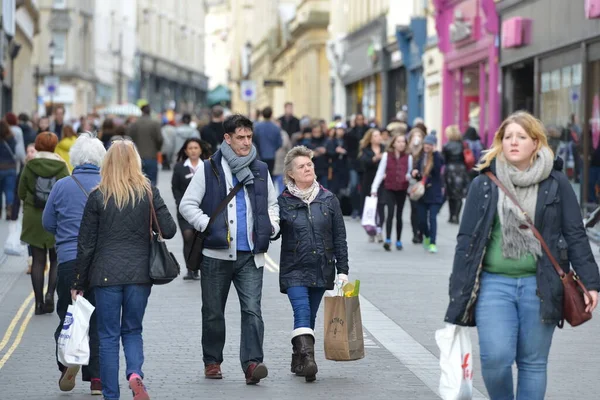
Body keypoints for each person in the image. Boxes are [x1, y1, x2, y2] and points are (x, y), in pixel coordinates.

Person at [445, 111, 600, 400]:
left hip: (541, 285)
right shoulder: (484, 183)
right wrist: (458, 290)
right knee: (495, 359)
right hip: (493, 285)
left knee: (532, 363)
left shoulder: (556, 183)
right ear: (499, 142)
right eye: (507, 137)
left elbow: (575, 234)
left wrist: (591, 283)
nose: (513, 142)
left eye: (521, 137)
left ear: (536, 142)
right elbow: (466, 240)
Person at [72, 138, 176, 400]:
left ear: (107, 163)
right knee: (132, 330)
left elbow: (85, 246)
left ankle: (111, 395)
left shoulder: (98, 196)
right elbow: (170, 230)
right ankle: (134, 374)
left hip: (104, 276)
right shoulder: (148, 191)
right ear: (136, 162)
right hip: (140, 274)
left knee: (107, 336)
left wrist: (78, 282)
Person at [179, 114, 280, 385]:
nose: (246, 142)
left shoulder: (260, 168)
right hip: (216, 254)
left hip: (251, 255)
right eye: (240, 137)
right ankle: (212, 361)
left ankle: (252, 364)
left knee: (252, 311)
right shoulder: (210, 168)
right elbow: (187, 205)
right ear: (227, 138)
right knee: (213, 313)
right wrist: (207, 225)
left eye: (249, 137)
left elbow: (272, 204)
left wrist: (271, 225)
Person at [42, 132, 106, 395]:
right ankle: (97, 380)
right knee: (99, 321)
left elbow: (47, 223)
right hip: (102, 263)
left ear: (75, 158)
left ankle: (66, 362)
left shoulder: (61, 185)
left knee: (68, 315)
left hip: (69, 261)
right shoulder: (107, 185)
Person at [278, 145, 349, 382]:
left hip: (322, 267)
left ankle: (298, 358)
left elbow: (339, 237)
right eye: (301, 166)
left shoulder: (329, 199)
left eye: (309, 164)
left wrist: (343, 271)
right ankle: (309, 360)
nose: (307, 168)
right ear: (291, 174)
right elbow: (273, 230)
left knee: (310, 317)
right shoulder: (283, 202)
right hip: (294, 268)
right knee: (302, 310)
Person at [19, 132, 70, 315]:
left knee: (38, 261)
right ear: (54, 145)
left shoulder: (30, 165)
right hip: (56, 216)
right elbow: (67, 191)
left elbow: (21, 191)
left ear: (38, 145)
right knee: (56, 259)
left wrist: (31, 203)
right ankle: (50, 295)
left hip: (34, 217)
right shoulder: (62, 166)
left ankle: (39, 303)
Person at [171, 138, 211, 280]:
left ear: (200, 150)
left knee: (198, 238)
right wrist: (179, 202)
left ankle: (199, 267)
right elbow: (175, 187)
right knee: (188, 237)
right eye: (190, 148)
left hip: (203, 210)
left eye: (196, 148)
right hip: (185, 211)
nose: (193, 150)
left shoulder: (208, 166)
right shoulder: (179, 167)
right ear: (186, 151)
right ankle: (190, 268)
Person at [371, 134, 411, 250]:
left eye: (403, 142)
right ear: (393, 143)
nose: (401, 144)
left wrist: (408, 176)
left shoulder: (408, 157)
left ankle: (398, 240)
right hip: (389, 188)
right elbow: (380, 172)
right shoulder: (386, 156)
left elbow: (409, 172)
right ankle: (388, 239)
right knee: (390, 213)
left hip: (402, 189)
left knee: (399, 215)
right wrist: (374, 188)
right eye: (398, 142)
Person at [411, 133, 444, 253]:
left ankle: (433, 243)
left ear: (434, 145)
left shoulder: (437, 157)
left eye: (430, 144)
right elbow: (418, 174)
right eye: (426, 143)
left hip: (434, 192)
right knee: (421, 220)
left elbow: (437, 170)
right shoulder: (420, 157)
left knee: (433, 218)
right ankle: (426, 235)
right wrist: (414, 173)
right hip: (422, 194)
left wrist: (434, 153)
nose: (427, 146)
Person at [358, 128, 385, 242]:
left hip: (383, 181)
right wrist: (375, 158)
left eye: (379, 135)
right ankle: (371, 230)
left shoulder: (385, 149)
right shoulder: (366, 150)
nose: (378, 137)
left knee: (381, 206)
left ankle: (379, 229)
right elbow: (364, 164)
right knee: (371, 206)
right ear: (370, 139)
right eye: (375, 136)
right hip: (369, 181)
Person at [127, 101, 163, 185]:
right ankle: (151, 197)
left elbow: (129, 138)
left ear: (141, 111)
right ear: (150, 111)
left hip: (137, 156)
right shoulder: (155, 123)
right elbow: (160, 139)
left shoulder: (135, 124)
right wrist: (158, 148)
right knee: (152, 182)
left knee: (137, 182)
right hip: (152, 156)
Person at [442, 125, 469, 224]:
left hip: (450, 170)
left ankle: (451, 215)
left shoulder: (446, 146)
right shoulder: (463, 145)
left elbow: (443, 160)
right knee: (459, 195)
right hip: (461, 170)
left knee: (450, 194)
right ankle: (456, 216)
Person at [407, 128, 425, 243]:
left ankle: (421, 232)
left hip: (422, 182)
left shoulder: (425, 152)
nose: (417, 138)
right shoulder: (407, 150)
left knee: (422, 209)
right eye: (414, 136)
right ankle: (415, 233)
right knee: (414, 208)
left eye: (419, 136)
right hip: (411, 183)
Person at [254, 106, 283, 174]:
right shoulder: (276, 128)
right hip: (271, 156)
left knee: (261, 176)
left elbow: (254, 140)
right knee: (270, 176)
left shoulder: (257, 127)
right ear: (271, 114)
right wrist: (273, 149)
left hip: (260, 155)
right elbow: (280, 143)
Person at [0, 121, 18, 220]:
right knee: (9, 190)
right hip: (10, 168)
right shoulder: (12, 139)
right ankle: (9, 209)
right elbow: (15, 151)